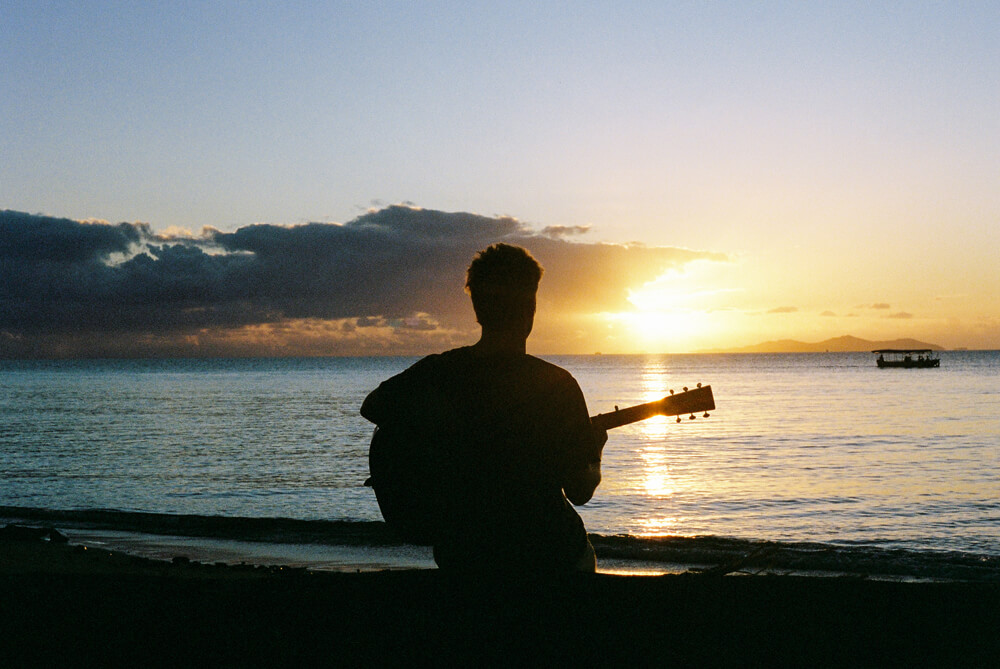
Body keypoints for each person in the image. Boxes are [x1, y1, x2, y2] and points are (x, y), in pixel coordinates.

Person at [360, 243, 607, 572]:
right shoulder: (555, 385)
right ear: (531, 307)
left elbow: (373, 405)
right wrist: (594, 453)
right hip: (547, 554)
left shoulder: (439, 371)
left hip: (463, 552)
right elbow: (579, 490)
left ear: (477, 309)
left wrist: (444, 431)